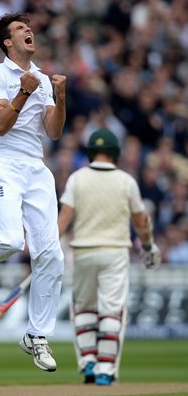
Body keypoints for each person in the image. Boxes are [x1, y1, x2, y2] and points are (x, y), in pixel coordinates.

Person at [0, 12, 66, 373]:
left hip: (36, 167)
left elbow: (53, 132)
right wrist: (24, 91)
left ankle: (37, 336)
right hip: (4, 161)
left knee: (51, 256)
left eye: (29, 28)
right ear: (7, 41)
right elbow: (2, 126)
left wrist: (60, 96)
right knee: (9, 241)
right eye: (21, 29)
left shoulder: (40, 77)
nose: (29, 32)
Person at [58, 128, 161, 385]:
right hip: (115, 251)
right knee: (111, 311)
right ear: (116, 153)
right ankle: (105, 369)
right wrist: (148, 245)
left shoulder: (77, 178)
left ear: (90, 152)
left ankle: (88, 362)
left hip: (82, 251)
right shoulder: (126, 181)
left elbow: (64, 219)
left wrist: (47, 248)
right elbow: (140, 219)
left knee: (83, 308)